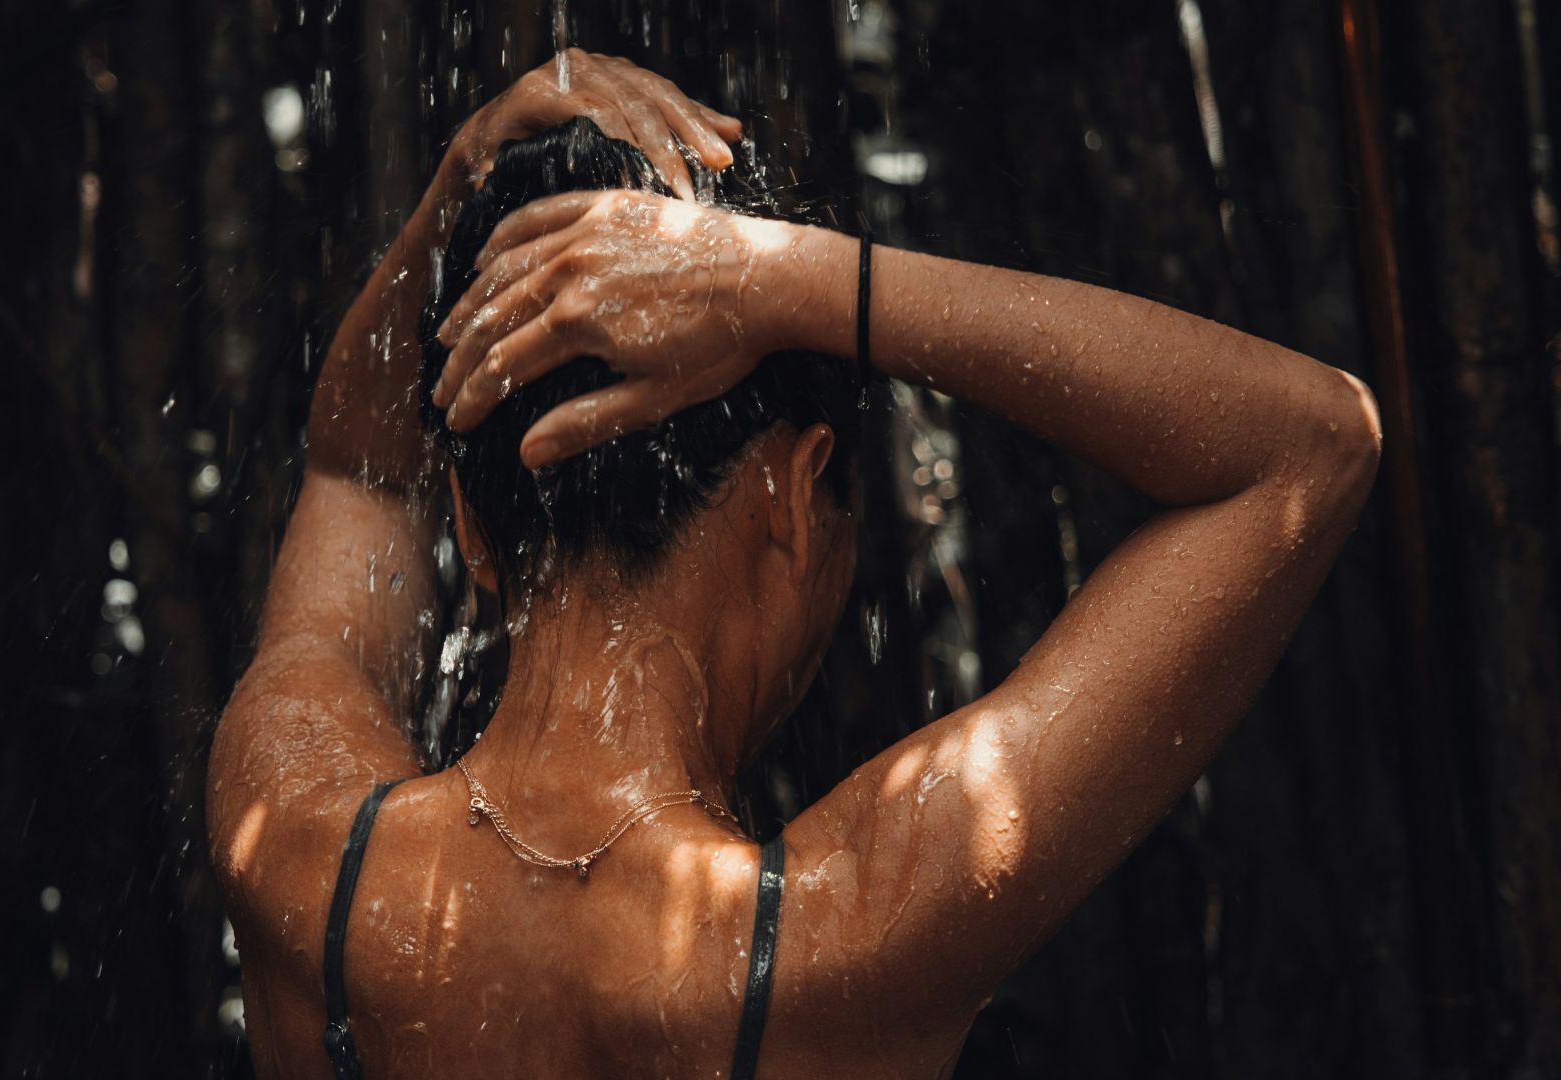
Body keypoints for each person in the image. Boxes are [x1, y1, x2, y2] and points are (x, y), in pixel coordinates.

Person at [207, 49, 1382, 1079]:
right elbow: (1304, 447)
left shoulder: (302, 849)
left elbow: (358, 465)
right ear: (794, 490)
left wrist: (467, 179)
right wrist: (799, 281)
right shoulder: (841, 942)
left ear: (465, 518)